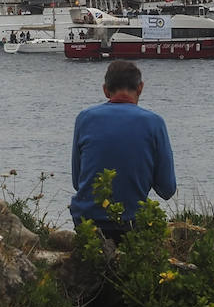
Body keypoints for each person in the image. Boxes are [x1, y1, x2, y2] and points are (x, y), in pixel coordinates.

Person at [69, 60, 176, 240]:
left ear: (105, 90)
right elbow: (167, 189)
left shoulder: (84, 119)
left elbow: (77, 181)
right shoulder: (154, 123)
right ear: (140, 88)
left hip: (88, 223)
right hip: (132, 224)